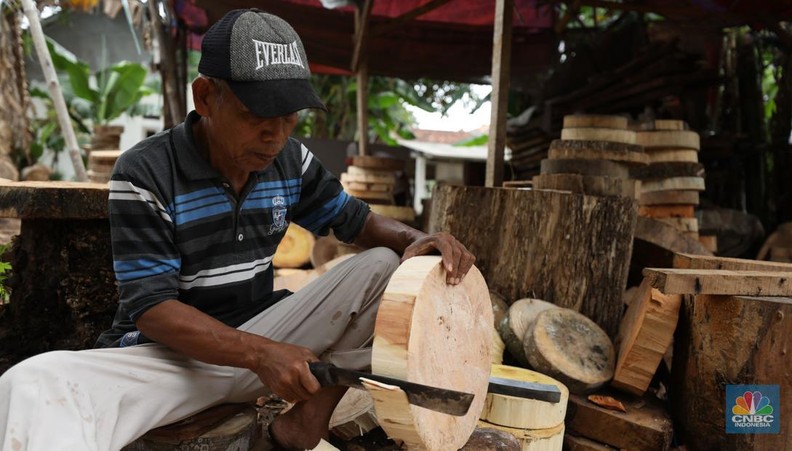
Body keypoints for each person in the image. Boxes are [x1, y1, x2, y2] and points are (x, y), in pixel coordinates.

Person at [0, 8, 475, 451]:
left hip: (268, 341)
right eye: (257, 117)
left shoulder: (289, 159)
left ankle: (306, 421)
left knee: (383, 266)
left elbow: (358, 222)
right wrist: (262, 355)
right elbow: (152, 310)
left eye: (289, 118)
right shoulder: (144, 172)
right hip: (172, 361)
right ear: (206, 97)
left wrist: (416, 240)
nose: (276, 136)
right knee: (32, 384)